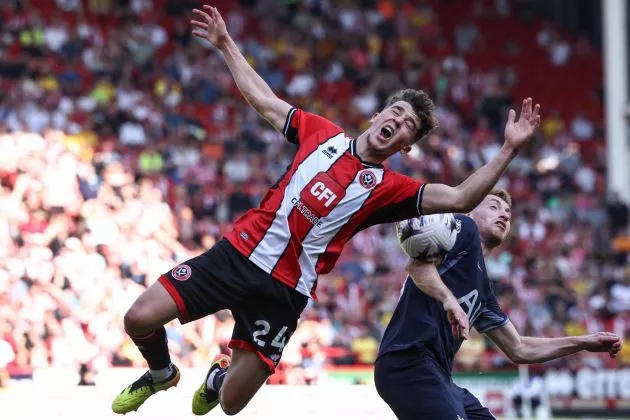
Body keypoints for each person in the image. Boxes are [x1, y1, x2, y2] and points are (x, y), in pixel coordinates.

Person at [111, 5, 541, 417]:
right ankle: (161, 372)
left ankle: (217, 378)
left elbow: (463, 198)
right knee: (139, 318)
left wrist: (509, 148)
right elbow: (264, 99)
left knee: (231, 403)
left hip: (286, 291)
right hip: (238, 256)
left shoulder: (390, 189)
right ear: (377, 115)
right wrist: (225, 44)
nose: (398, 120)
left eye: (408, 124)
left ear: (406, 146)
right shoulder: (321, 134)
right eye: (396, 111)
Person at [374, 189, 624, 419]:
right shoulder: (463, 228)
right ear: (470, 209)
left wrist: (583, 343)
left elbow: (520, 348)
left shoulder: (483, 290)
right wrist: (449, 301)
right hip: (407, 361)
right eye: (494, 206)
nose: (504, 214)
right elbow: (416, 266)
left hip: (437, 375)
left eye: (507, 212)